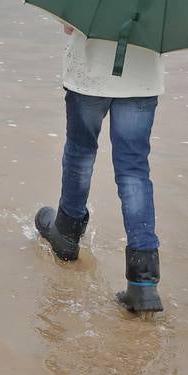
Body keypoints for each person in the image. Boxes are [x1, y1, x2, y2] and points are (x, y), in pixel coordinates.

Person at [33, 23, 165, 314]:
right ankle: (143, 281)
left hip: (91, 72)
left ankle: (66, 234)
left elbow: (70, 24)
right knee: (134, 169)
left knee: (81, 151)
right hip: (141, 75)